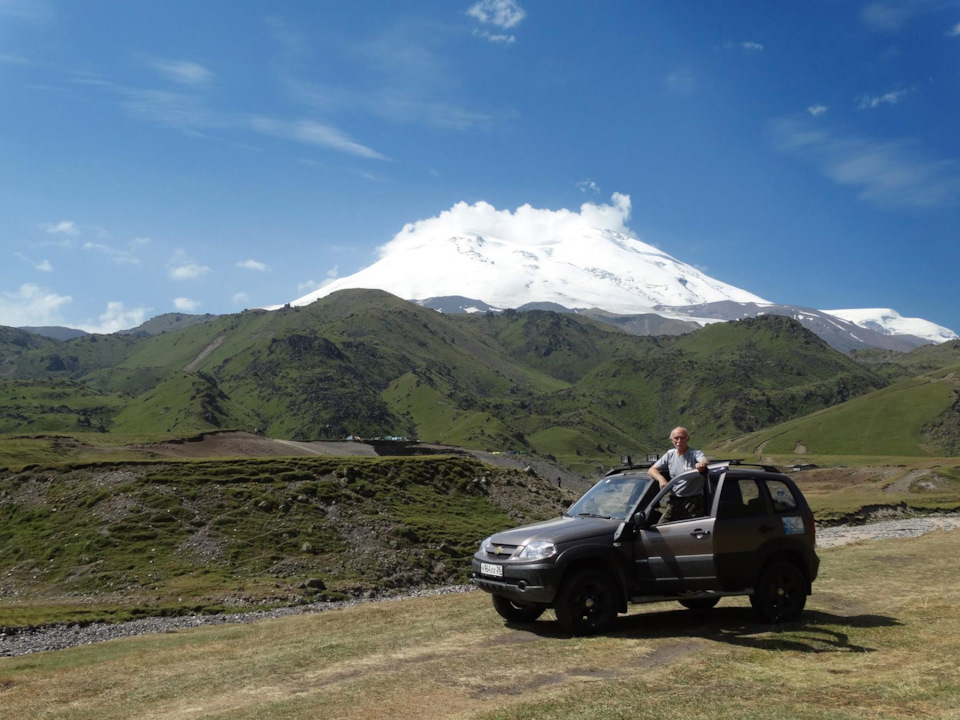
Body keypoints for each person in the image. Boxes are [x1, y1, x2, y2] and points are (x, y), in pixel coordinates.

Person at [647, 427, 709, 522]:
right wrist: (661, 479)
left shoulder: (694, 453)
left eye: (682, 437)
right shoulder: (670, 454)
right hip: (674, 501)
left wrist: (702, 464)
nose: (679, 441)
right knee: (661, 528)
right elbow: (651, 470)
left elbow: (704, 460)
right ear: (671, 440)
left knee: (690, 530)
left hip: (693, 502)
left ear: (688, 439)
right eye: (676, 438)